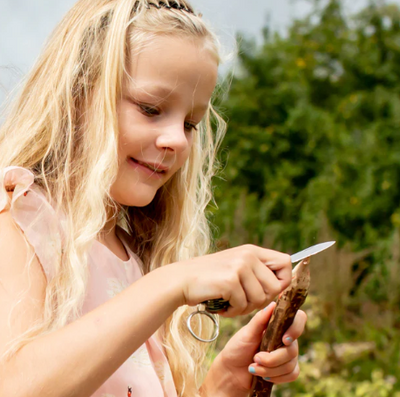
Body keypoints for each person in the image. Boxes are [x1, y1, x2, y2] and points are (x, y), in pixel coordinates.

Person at [0, 1, 307, 396]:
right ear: (77, 94)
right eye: (150, 109)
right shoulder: (20, 217)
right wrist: (170, 284)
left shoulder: (135, 259)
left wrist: (223, 384)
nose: (177, 140)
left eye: (190, 123)